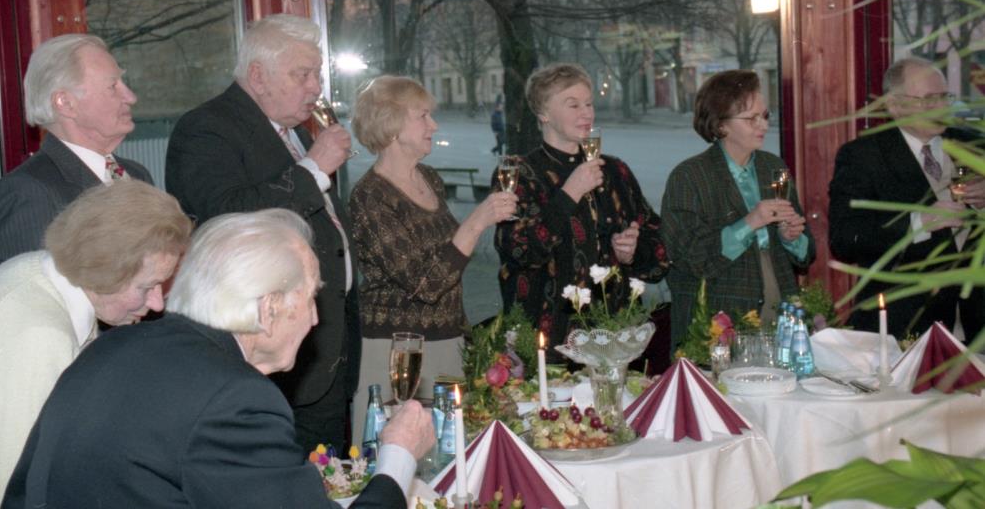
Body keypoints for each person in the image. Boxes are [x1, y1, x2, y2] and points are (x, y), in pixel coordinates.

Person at [2, 209, 434, 509]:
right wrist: (398, 457)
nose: (316, 319)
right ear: (268, 309)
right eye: (310, 299)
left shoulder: (113, 346)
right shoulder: (236, 399)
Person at [165, 14, 358, 452]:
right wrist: (314, 169)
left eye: (317, 74)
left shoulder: (294, 133)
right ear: (258, 76)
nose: (315, 87)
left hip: (322, 349)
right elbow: (225, 217)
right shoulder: (206, 128)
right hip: (265, 356)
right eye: (302, 75)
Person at [0, 180, 190, 509]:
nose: (157, 303)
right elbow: (10, 487)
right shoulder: (36, 334)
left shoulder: (42, 273)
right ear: (105, 271)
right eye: (147, 287)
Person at [348, 76, 516, 444]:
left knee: (449, 455)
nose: (434, 125)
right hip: (396, 354)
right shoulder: (370, 197)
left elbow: (448, 267)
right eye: (422, 115)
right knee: (396, 455)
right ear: (392, 125)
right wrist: (476, 222)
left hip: (447, 343)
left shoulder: (429, 178)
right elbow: (425, 285)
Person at [494, 63, 669, 347]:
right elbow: (519, 251)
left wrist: (633, 252)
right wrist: (570, 193)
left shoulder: (615, 171)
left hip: (615, 336)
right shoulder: (520, 174)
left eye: (588, 103)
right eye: (573, 105)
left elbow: (659, 250)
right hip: (547, 342)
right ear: (543, 114)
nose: (586, 113)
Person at [829, 57, 984, 340]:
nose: (941, 107)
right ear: (894, 105)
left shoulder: (975, 145)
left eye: (945, 97)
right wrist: (918, 223)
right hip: (904, 326)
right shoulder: (863, 156)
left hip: (977, 324)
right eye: (929, 99)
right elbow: (845, 239)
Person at [661, 70, 815, 347]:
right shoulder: (689, 176)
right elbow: (688, 257)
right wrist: (750, 222)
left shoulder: (773, 167)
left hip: (781, 308)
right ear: (721, 126)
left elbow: (806, 254)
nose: (763, 125)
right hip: (716, 319)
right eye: (751, 118)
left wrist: (791, 238)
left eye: (765, 115)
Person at [0, 34, 153, 268]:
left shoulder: (137, 174)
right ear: (65, 103)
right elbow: (28, 288)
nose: (131, 97)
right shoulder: (29, 191)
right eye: (113, 86)